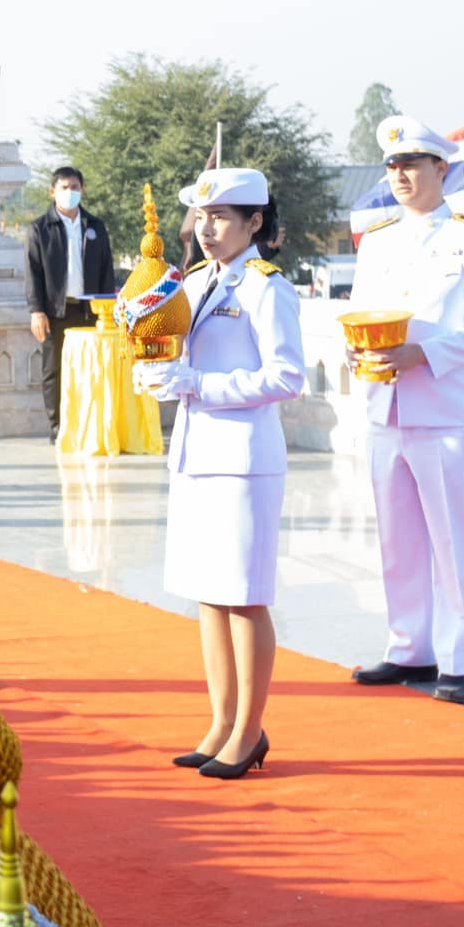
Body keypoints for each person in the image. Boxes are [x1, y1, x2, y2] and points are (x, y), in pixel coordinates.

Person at [134, 168, 304, 779]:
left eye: (223, 217)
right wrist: (157, 374)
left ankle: (249, 731)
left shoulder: (266, 287)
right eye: (201, 217)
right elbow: (175, 355)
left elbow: (287, 377)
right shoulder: (197, 281)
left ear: (255, 223)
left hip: (244, 461)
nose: (207, 229)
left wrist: (199, 385)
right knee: (210, 594)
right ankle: (221, 722)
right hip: (197, 452)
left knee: (244, 598)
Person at [346, 115, 464, 706]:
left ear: (441, 169)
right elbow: (362, 314)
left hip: (446, 410)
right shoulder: (378, 241)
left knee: (457, 541)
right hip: (385, 406)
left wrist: (423, 353)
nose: (400, 174)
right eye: (392, 165)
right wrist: (356, 350)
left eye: (412, 164)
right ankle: (409, 647)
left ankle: (461, 660)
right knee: (400, 539)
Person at [27, 166, 117, 440]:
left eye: (75, 187)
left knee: (91, 368)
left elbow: (106, 270)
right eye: (64, 188)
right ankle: (58, 427)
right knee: (54, 371)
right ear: (53, 191)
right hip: (55, 311)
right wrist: (36, 310)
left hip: (90, 311)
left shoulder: (95, 227)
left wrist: (109, 309)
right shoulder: (40, 229)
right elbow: (33, 272)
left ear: (82, 190)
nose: (70, 193)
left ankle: (88, 424)